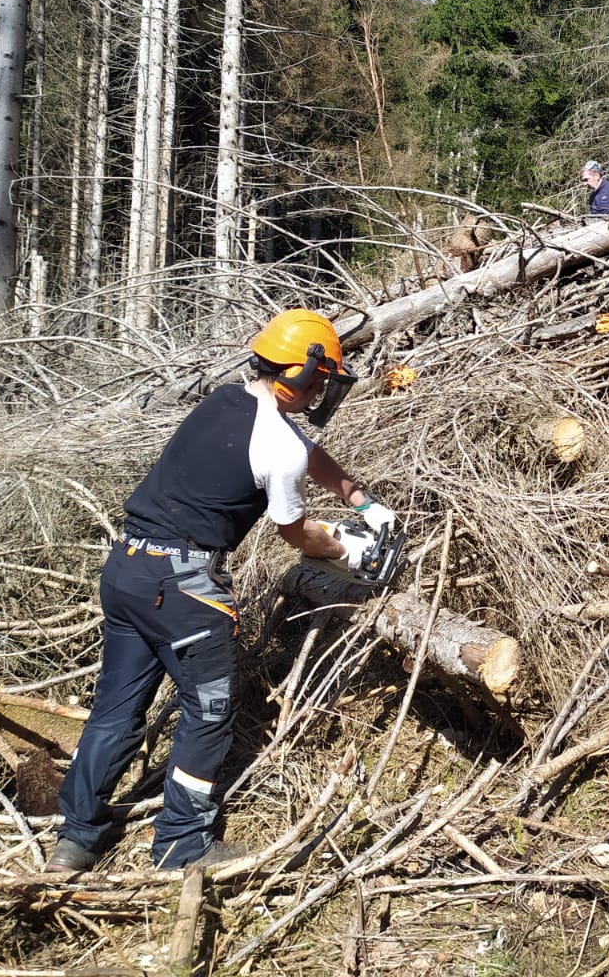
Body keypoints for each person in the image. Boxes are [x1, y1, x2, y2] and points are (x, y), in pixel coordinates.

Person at [47, 309, 393, 873]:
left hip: (127, 568)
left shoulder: (228, 400)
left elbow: (300, 448)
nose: (323, 391)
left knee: (114, 710)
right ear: (301, 375)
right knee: (208, 711)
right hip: (185, 585)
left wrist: (358, 497)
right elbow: (295, 534)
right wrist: (348, 547)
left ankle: (77, 836)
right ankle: (184, 845)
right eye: (321, 379)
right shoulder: (277, 444)